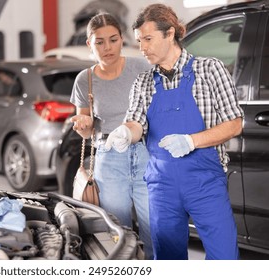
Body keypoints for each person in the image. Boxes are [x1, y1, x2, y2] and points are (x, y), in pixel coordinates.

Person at [105, 4, 244, 260]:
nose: (142, 47)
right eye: (138, 41)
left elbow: (234, 123)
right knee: (168, 261)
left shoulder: (210, 70)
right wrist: (125, 132)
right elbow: (136, 123)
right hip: (162, 185)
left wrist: (192, 141)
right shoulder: (143, 82)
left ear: (170, 34)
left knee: (225, 257)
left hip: (205, 183)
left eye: (148, 39)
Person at [69, 12, 153, 259]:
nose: (108, 48)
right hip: (109, 157)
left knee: (155, 228)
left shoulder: (141, 67)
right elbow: (86, 129)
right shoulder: (85, 80)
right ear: (89, 45)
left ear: (122, 39)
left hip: (145, 153)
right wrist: (83, 124)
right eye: (100, 42)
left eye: (113, 39)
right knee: (120, 232)